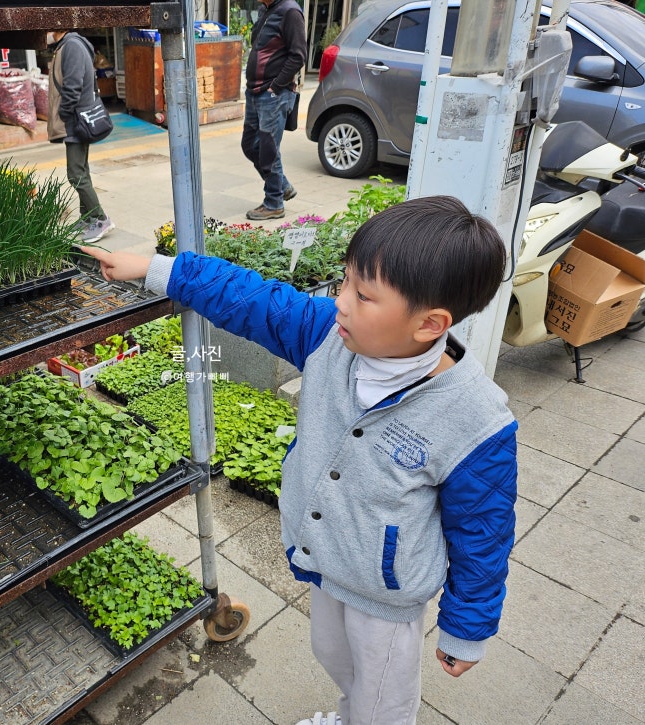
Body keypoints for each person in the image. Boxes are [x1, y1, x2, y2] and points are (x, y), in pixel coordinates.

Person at [81, 195, 518, 725]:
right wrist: (157, 270)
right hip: (326, 561)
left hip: (385, 593)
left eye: (364, 294)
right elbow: (253, 299)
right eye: (345, 282)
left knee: (384, 700)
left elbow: (484, 530)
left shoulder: (475, 420)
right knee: (335, 658)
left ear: (429, 325)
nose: (341, 301)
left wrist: (466, 628)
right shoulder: (328, 338)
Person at [47, 30, 115, 243]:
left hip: (75, 120)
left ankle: (100, 219)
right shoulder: (67, 45)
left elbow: (73, 86)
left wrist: (64, 113)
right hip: (75, 119)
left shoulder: (72, 46)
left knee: (75, 174)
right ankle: (87, 218)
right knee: (82, 171)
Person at [241, 0, 307, 221]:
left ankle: (274, 203)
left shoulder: (290, 12)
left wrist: (275, 87)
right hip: (254, 91)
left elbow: (298, 55)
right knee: (250, 145)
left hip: (273, 94)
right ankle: (282, 186)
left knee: (269, 150)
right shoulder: (266, 9)